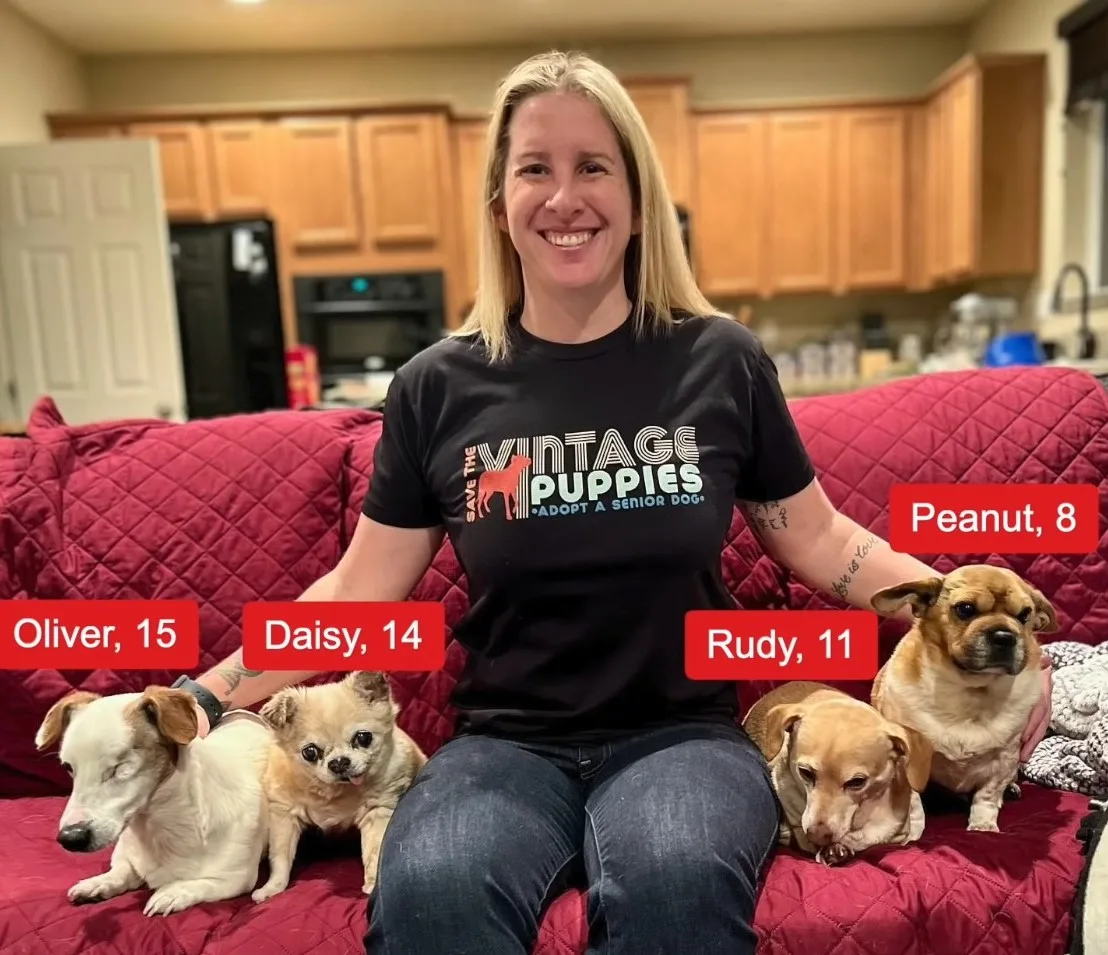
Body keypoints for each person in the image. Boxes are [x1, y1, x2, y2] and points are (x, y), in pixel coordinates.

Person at [171, 50, 1052, 955]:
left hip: (680, 736)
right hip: (505, 744)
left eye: (593, 166)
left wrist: (976, 618)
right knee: (429, 891)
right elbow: (358, 591)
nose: (565, 197)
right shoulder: (435, 386)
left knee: (676, 887)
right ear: (499, 203)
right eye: (534, 169)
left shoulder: (719, 360)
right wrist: (202, 694)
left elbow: (823, 539)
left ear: (637, 199)